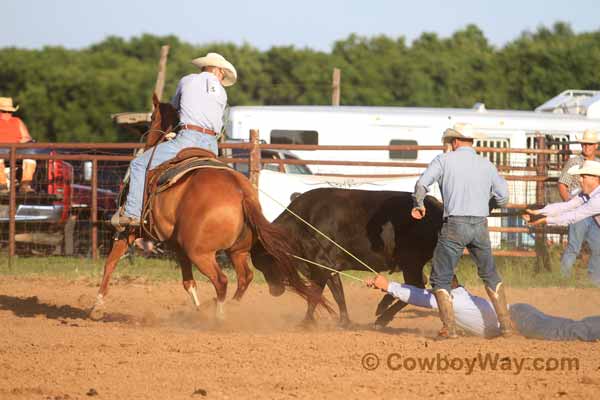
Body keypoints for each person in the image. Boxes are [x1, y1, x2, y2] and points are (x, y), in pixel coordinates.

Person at [411, 122, 512, 339]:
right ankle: (505, 324)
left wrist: (418, 204)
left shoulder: (444, 160)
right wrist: (487, 206)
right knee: (489, 273)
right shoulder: (486, 164)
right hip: (479, 225)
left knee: (441, 277)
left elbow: (422, 184)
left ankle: (449, 327)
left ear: (455, 141)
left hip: (455, 224)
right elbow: (504, 197)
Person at [113, 53, 237, 228]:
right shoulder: (222, 93)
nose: (221, 77)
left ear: (206, 67)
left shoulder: (187, 80)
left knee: (139, 165)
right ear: (217, 70)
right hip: (211, 146)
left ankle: (133, 213)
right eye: (222, 74)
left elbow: (174, 110)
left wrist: (175, 130)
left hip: (188, 139)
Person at [366, 274, 600, 341]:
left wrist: (388, 285)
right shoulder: (458, 293)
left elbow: (417, 296)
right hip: (519, 312)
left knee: (569, 331)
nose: (432, 287)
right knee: (568, 326)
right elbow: (423, 295)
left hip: (519, 318)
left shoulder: (451, 300)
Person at [524, 160, 600, 285]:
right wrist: (539, 212)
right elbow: (567, 206)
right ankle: (595, 287)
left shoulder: (597, 199)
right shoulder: (589, 194)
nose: (580, 180)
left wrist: (545, 219)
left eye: (584, 176)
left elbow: (574, 215)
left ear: (595, 179)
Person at [555, 129, 599, 278]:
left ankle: (594, 280)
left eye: (590, 144)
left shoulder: (598, 164)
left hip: (594, 212)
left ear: (595, 146)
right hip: (580, 210)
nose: (587, 147)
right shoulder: (574, 162)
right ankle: (563, 278)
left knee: (597, 247)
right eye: (584, 144)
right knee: (574, 247)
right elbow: (562, 184)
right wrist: (570, 203)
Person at [0, 97, 37, 193]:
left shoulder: (17, 121)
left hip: (16, 149)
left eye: (9, 112)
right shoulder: (17, 121)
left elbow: (27, 138)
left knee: (30, 156)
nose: (7, 114)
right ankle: (2, 185)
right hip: (2, 149)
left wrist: (21, 142)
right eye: (4, 111)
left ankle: (25, 185)